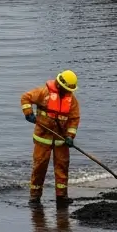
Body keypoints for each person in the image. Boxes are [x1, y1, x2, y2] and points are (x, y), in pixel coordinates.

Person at [20, 70, 81, 207]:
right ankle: (35, 197)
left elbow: (74, 119)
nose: (67, 92)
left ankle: (61, 196)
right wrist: (28, 112)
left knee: (62, 167)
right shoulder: (43, 93)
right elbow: (25, 98)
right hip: (43, 138)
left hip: (62, 141)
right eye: (66, 89)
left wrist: (70, 136)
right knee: (39, 168)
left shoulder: (72, 101)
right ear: (59, 84)